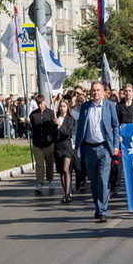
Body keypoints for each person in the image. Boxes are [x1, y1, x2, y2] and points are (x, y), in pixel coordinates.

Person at [74, 81, 120, 222]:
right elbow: (80, 127)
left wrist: (115, 145)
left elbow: (115, 125)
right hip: (89, 148)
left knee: (103, 178)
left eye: (98, 90)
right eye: (93, 90)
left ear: (103, 91)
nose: (96, 93)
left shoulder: (109, 106)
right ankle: (97, 206)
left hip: (105, 147)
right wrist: (77, 147)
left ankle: (102, 210)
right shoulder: (86, 107)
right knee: (93, 181)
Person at [29, 94, 57, 196]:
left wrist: (52, 136)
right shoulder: (33, 114)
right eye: (38, 103)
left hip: (48, 143)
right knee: (39, 164)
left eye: (42, 103)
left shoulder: (50, 113)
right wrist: (28, 124)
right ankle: (39, 183)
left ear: (45, 102)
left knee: (49, 163)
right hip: (37, 143)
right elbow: (32, 128)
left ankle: (50, 180)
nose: (40, 105)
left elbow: (54, 127)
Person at [53, 99, 76, 203]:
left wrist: (60, 125)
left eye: (64, 106)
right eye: (61, 106)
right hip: (58, 147)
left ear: (67, 108)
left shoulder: (70, 119)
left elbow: (68, 133)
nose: (62, 108)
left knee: (66, 169)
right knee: (61, 171)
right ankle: (65, 192)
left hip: (67, 146)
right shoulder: (55, 118)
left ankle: (68, 193)